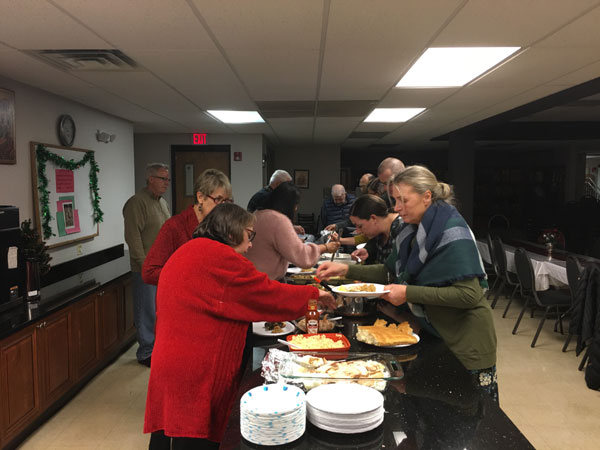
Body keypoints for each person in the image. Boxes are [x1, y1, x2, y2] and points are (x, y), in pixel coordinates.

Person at [144, 203, 335, 449]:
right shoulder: (222, 258)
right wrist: (314, 295)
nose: (252, 243)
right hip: (196, 368)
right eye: (249, 234)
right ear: (232, 232)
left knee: (168, 435)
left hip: (169, 362)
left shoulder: (188, 250)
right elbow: (266, 295)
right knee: (194, 438)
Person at [317, 165, 498, 401]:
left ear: (427, 197)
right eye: (395, 200)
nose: (397, 208)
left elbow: (469, 295)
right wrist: (345, 268)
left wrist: (408, 292)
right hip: (438, 334)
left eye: (403, 200)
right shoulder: (412, 232)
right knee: (435, 418)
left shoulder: (451, 231)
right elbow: (389, 271)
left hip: (466, 343)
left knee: (469, 416)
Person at [142, 169, 232, 286]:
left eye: (226, 202)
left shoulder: (219, 227)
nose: (223, 207)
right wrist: (187, 275)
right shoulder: (174, 227)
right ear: (200, 197)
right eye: (217, 200)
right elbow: (149, 272)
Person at [123, 163, 171, 367]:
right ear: (150, 178)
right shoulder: (136, 203)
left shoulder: (162, 203)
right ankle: (145, 352)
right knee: (146, 310)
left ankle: (157, 348)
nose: (166, 183)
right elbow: (133, 238)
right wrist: (145, 267)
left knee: (158, 310)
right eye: (163, 179)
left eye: (168, 180)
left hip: (162, 267)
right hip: (145, 269)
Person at [246, 182, 339, 280]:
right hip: (267, 280)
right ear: (288, 204)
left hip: (252, 276)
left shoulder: (257, 214)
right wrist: (325, 247)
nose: (296, 208)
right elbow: (302, 256)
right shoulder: (278, 220)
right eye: (295, 204)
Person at [346, 194, 402, 264]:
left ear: (373, 218)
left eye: (360, 226)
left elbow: (390, 270)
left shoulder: (401, 229)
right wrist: (367, 251)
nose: (358, 231)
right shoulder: (378, 232)